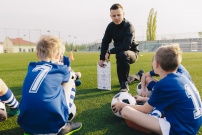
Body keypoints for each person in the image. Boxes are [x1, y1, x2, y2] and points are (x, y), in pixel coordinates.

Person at [112, 44, 202, 135]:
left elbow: (145, 109)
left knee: (125, 111)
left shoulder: (165, 84)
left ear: (157, 64)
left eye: (153, 59)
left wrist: (122, 104)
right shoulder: (181, 77)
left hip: (180, 130)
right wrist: (144, 99)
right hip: (193, 126)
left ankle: (150, 127)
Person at [17, 35, 82, 135]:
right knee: (69, 81)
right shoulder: (61, 69)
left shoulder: (31, 67)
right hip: (52, 126)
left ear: (37, 54)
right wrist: (70, 71)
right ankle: (63, 126)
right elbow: (72, 75)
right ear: (58, 55)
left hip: (26, 124)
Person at [98, 3, 139, 92]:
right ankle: (137, 76)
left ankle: (124, 85)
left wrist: (110, 51)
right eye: (114, 16)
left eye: (119, 15)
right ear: (110, 16)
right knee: (120, 54)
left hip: (132, 53)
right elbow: (105, 42)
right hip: (120, 53)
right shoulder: (110, 26)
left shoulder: (129, 26)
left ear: (123, 14)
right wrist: (101, 59)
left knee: (122, 54)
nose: (116, 18)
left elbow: (126, 45)